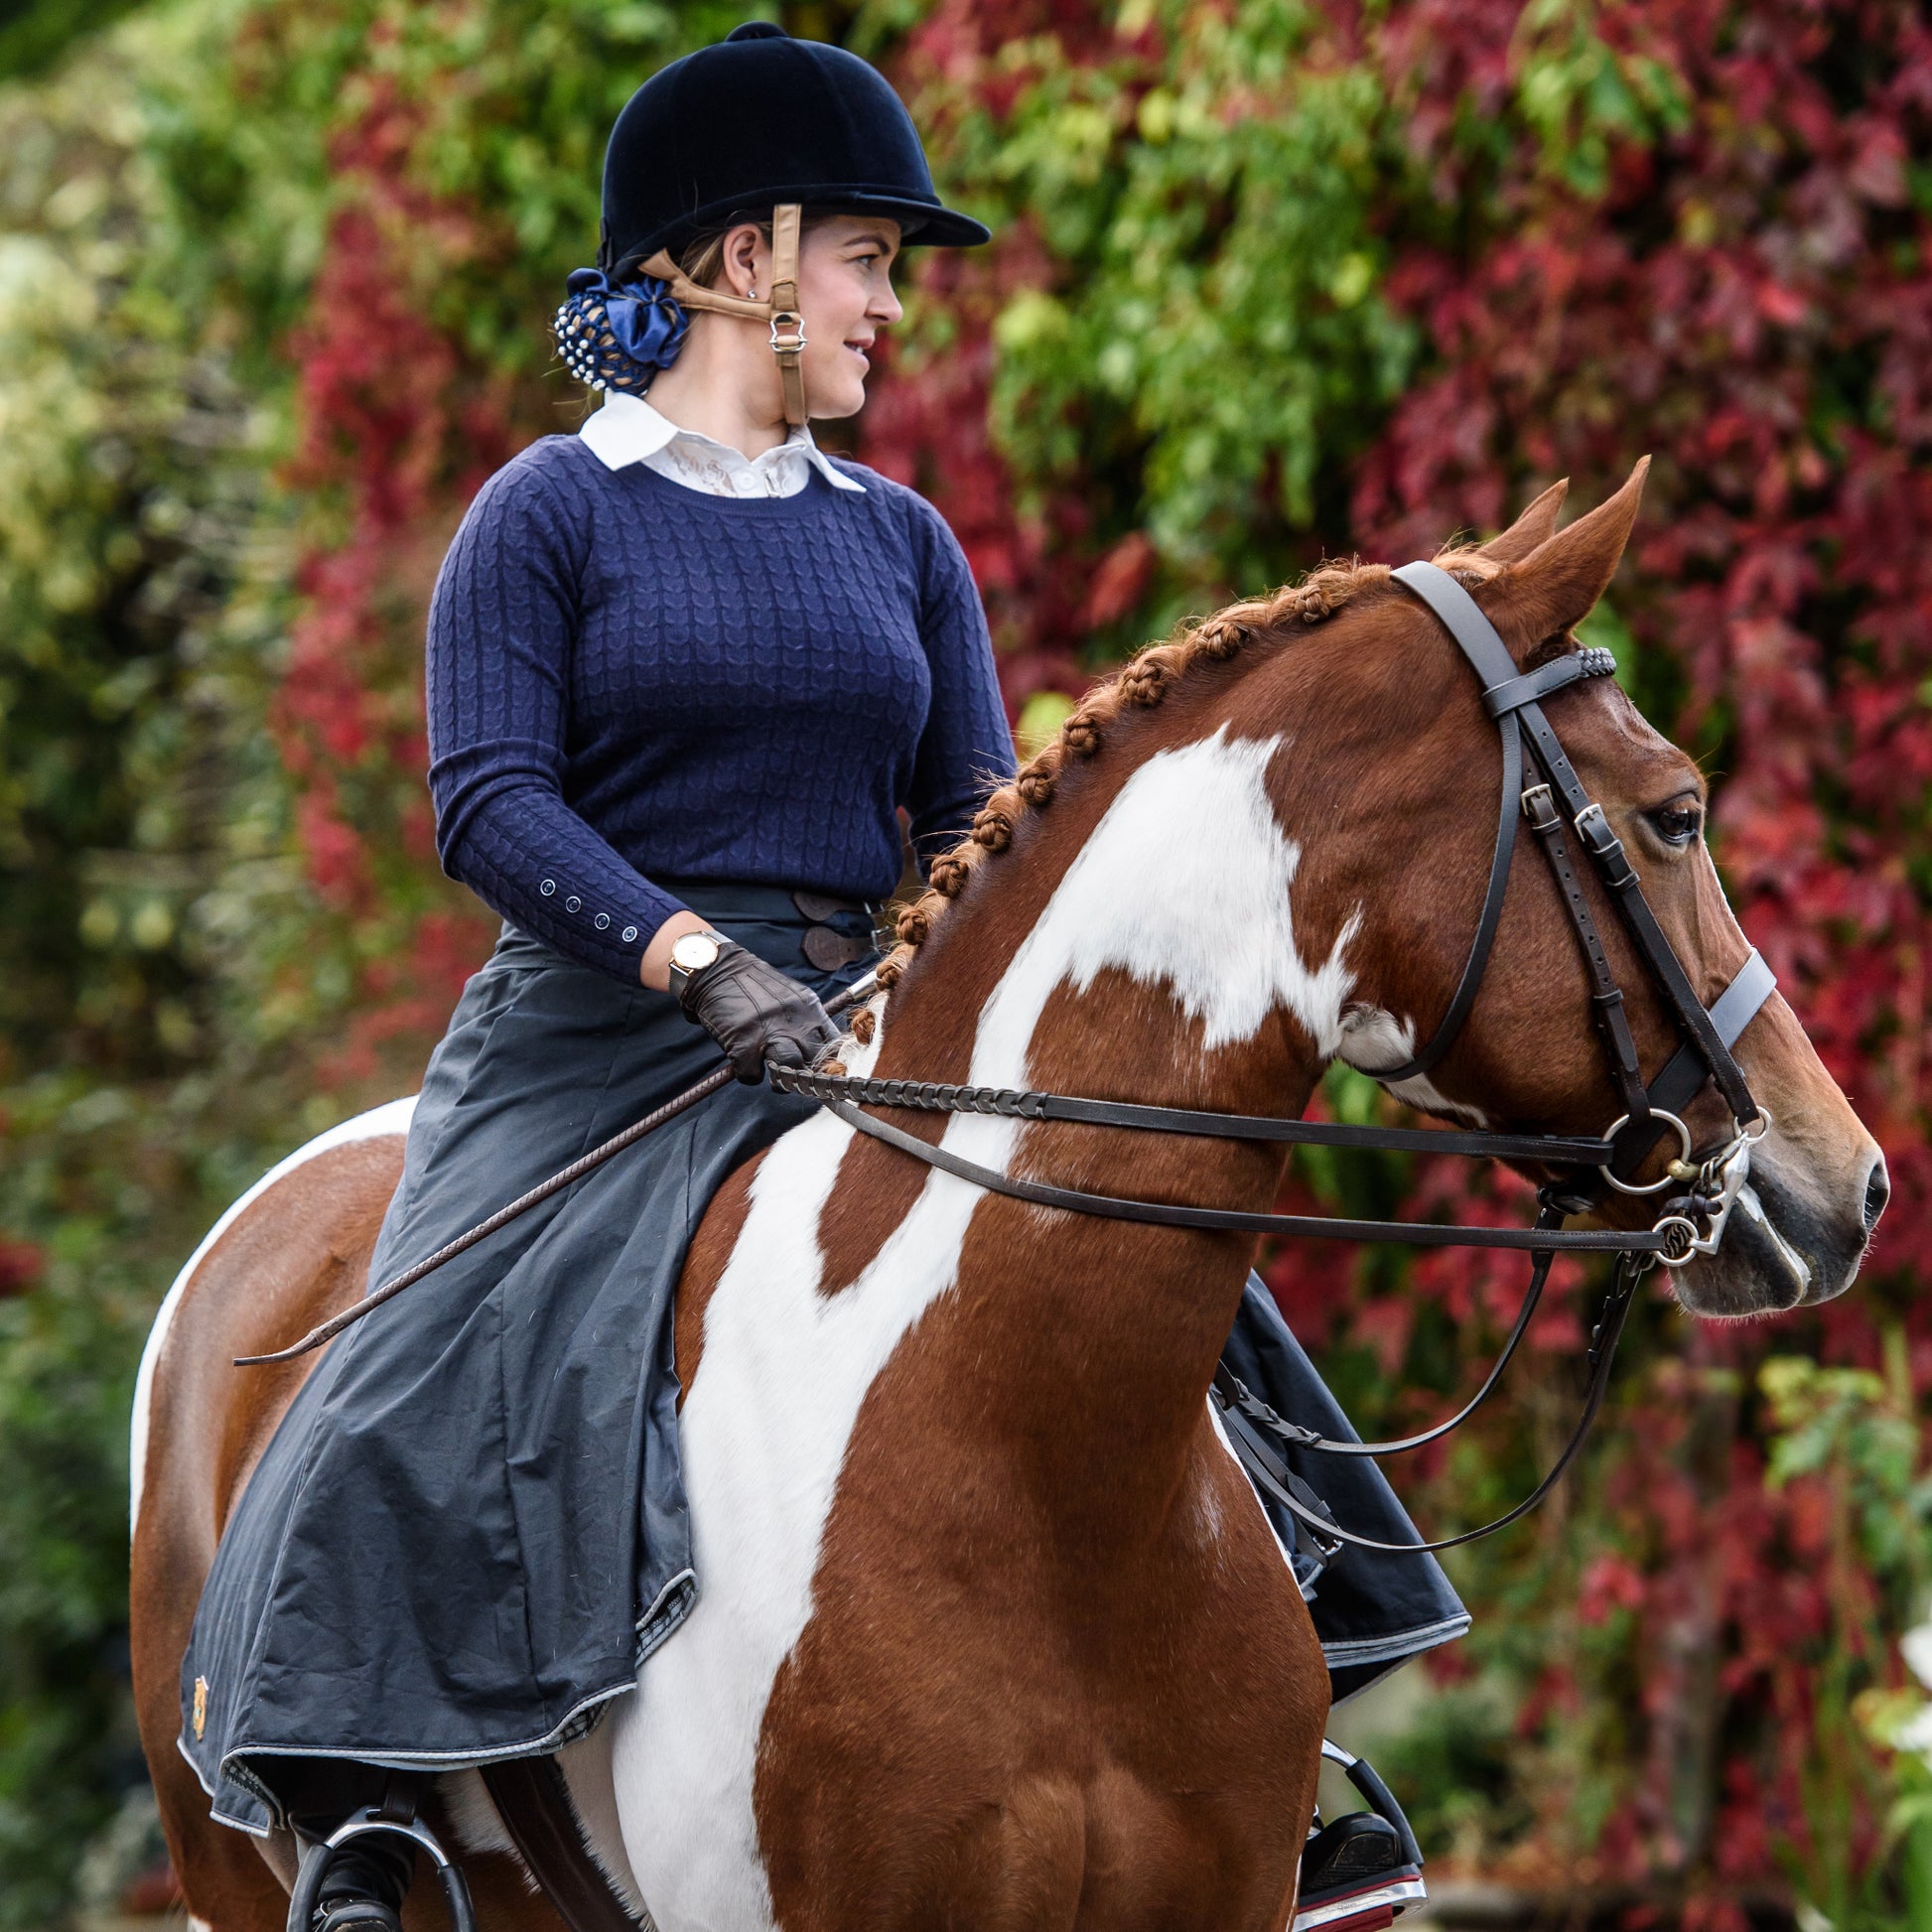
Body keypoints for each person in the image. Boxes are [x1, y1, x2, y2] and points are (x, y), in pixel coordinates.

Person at [178, 27, 1465, 1930]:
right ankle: (364, 1791)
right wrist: (691, 960)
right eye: (866, 256)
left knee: (1121, 1264)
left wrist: (948, 995)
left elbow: (976, 815)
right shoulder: (549, 512)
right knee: (430, 1340)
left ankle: (1267, 1734)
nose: (889, 306)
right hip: (597, 1020)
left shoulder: (900, 541)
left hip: (860, 1010)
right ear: (735, 259)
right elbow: (489, 801)